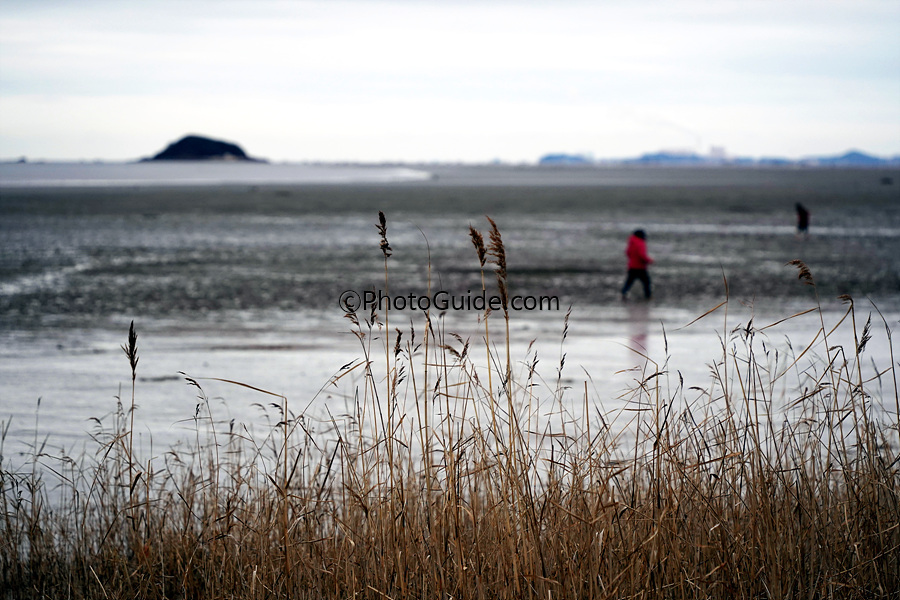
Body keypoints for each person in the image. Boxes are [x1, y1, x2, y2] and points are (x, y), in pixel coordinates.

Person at [621, 229, 653, 300]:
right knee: (646, 282)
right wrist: (649, 261)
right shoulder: (640, 243)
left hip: (632, 266)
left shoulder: (631, 242)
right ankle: (648, 296)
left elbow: (628, 253)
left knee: (629, 281)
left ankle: (624, 293)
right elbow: (642, 255)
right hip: (640, 267)